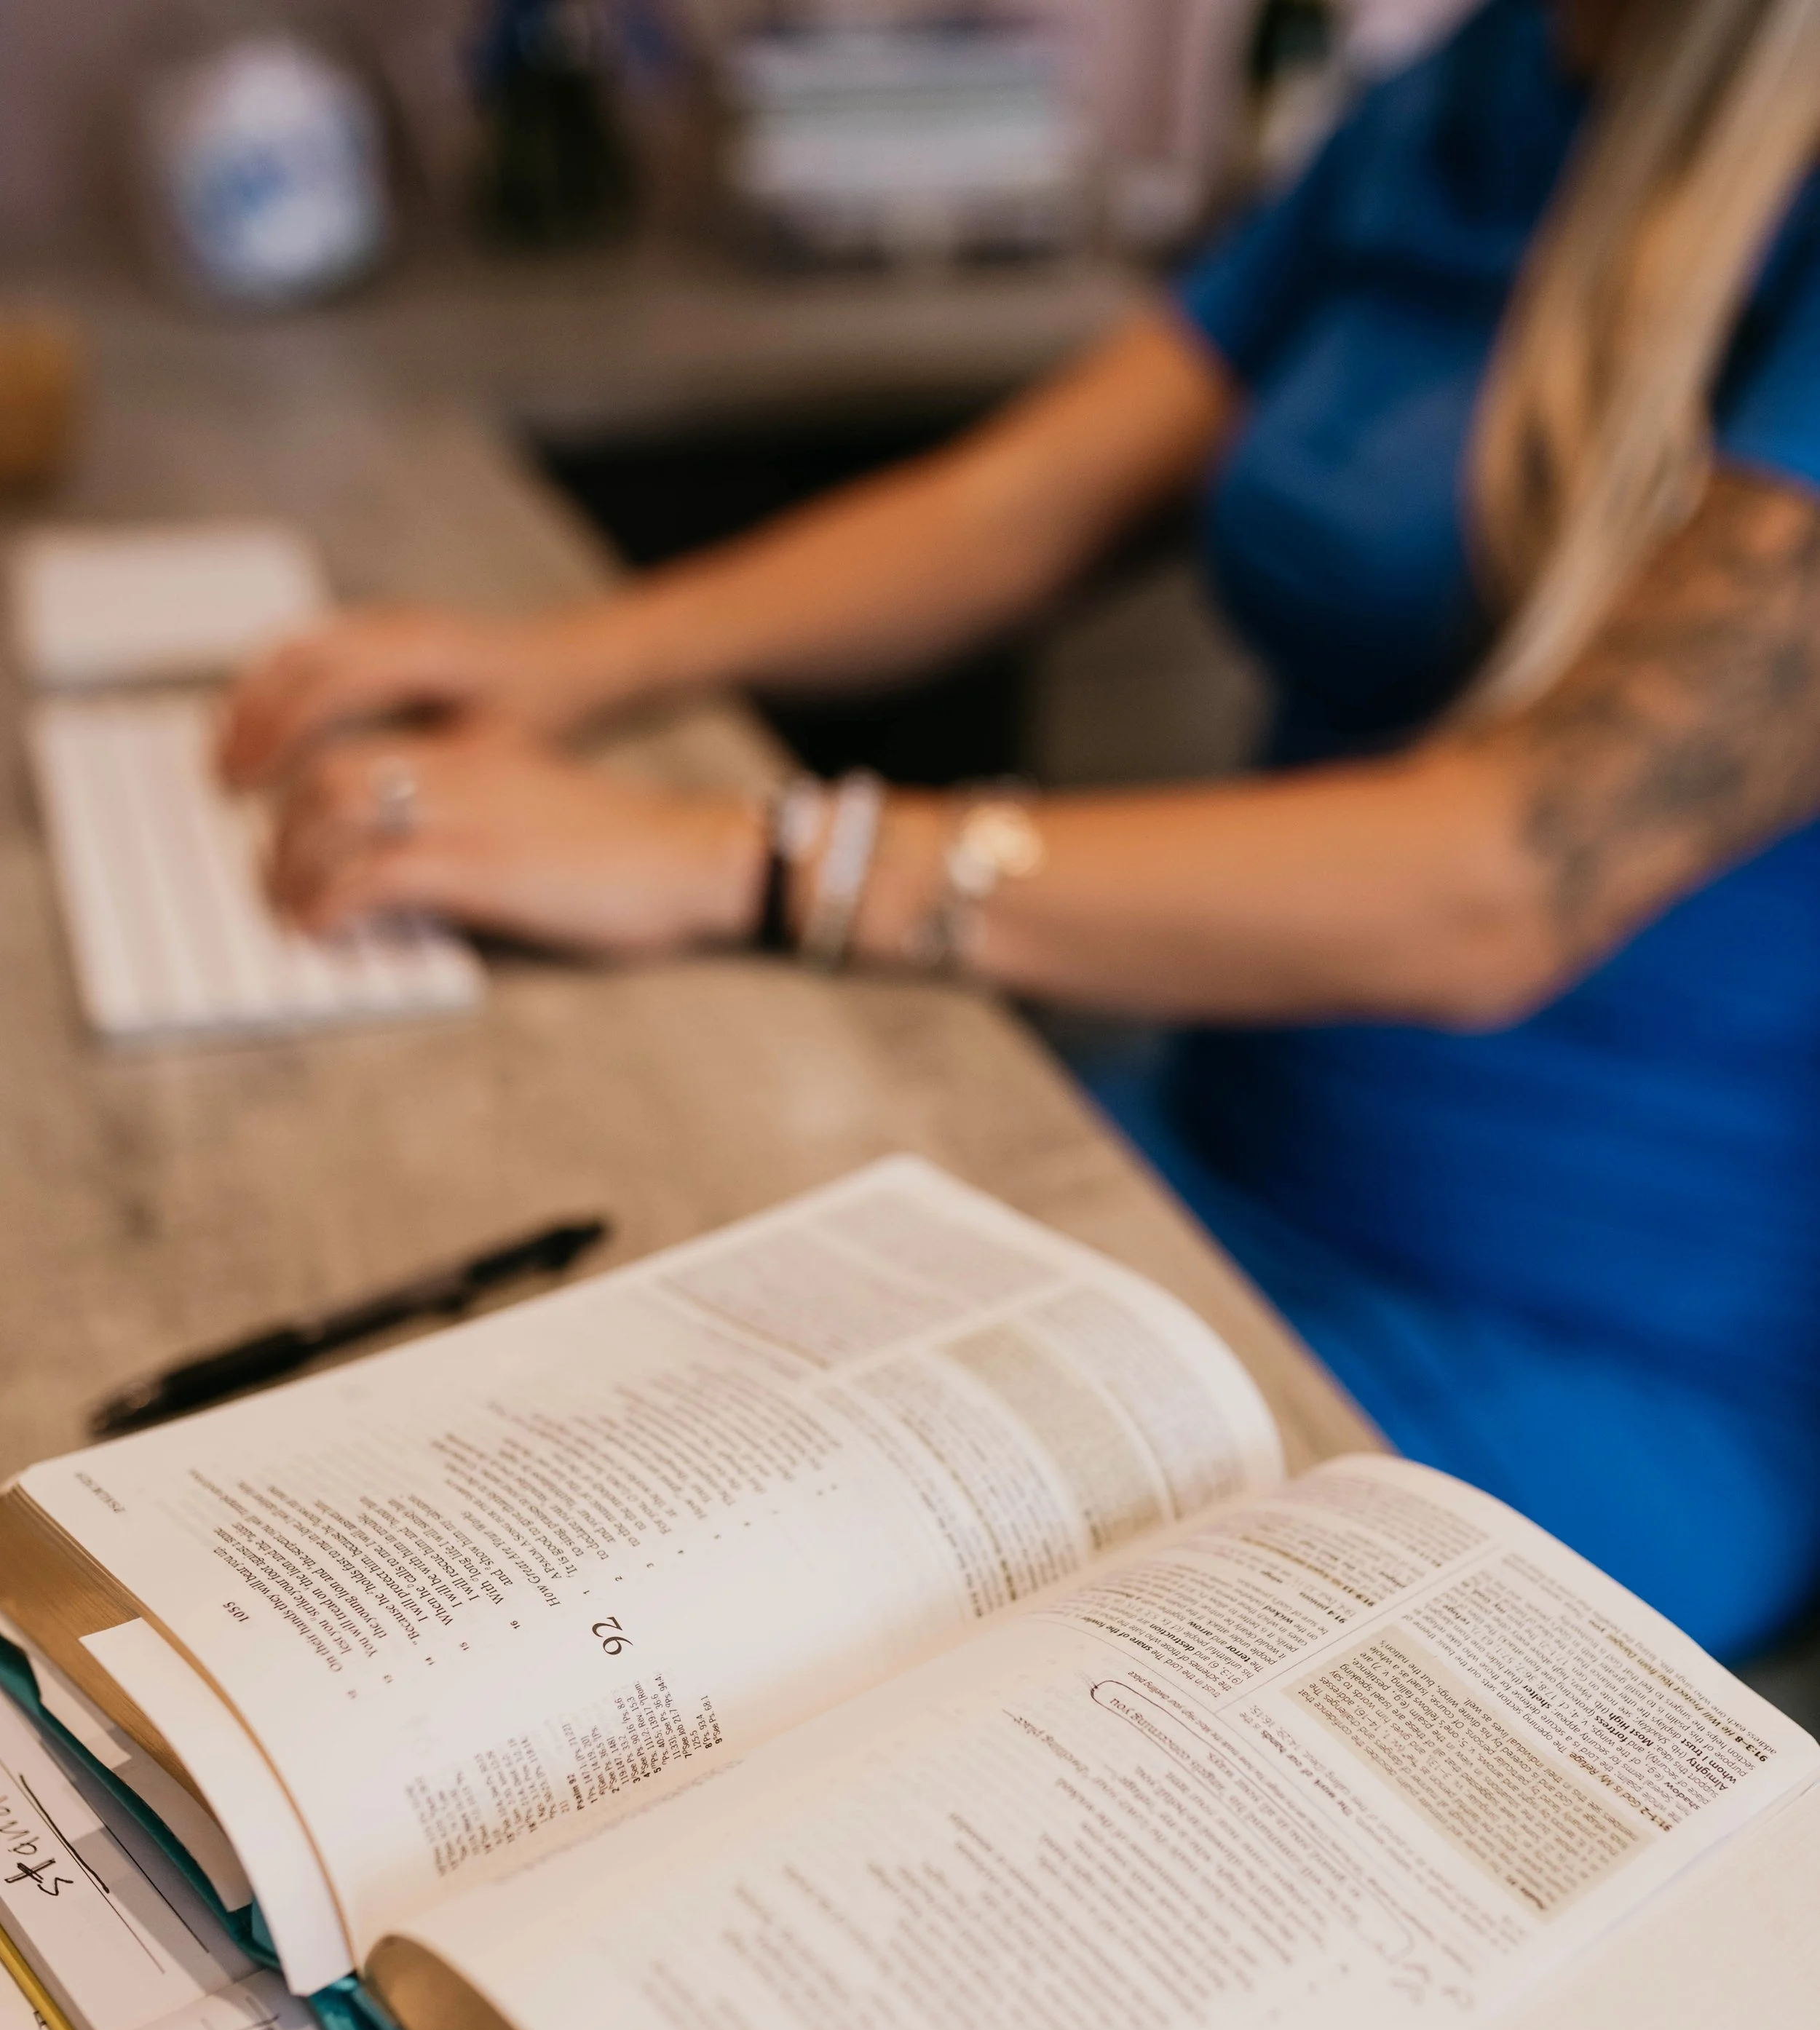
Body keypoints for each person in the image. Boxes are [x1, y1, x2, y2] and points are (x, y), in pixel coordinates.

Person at [220, 0, 1820, 1662]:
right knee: (577, 1485)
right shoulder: (1485, 80)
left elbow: (1506, 881)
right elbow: (1022, 501)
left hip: (1576, 1345)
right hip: (1192, 1161)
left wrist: (732, 856)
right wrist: (560, 663)